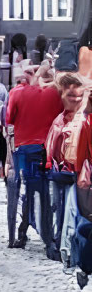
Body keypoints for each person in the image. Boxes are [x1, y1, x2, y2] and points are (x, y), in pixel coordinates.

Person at [3, 65, 61, 250]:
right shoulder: (57, 94)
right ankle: (48, 234)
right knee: (44, 190)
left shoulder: (17, 92)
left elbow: (9, 119)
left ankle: (20, 232)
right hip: (48, 149)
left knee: (23, 188)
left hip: (24, 148)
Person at [44, 73, 90, 262]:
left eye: (78, 97)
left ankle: (69, 251)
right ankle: (60, 247)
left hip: (76, 173)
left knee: (72, 213)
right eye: (70, 97)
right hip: (59, 172)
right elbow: (50, 145)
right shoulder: (59, 119)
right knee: (58, 209)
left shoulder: (83, 119)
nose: (74, 100)